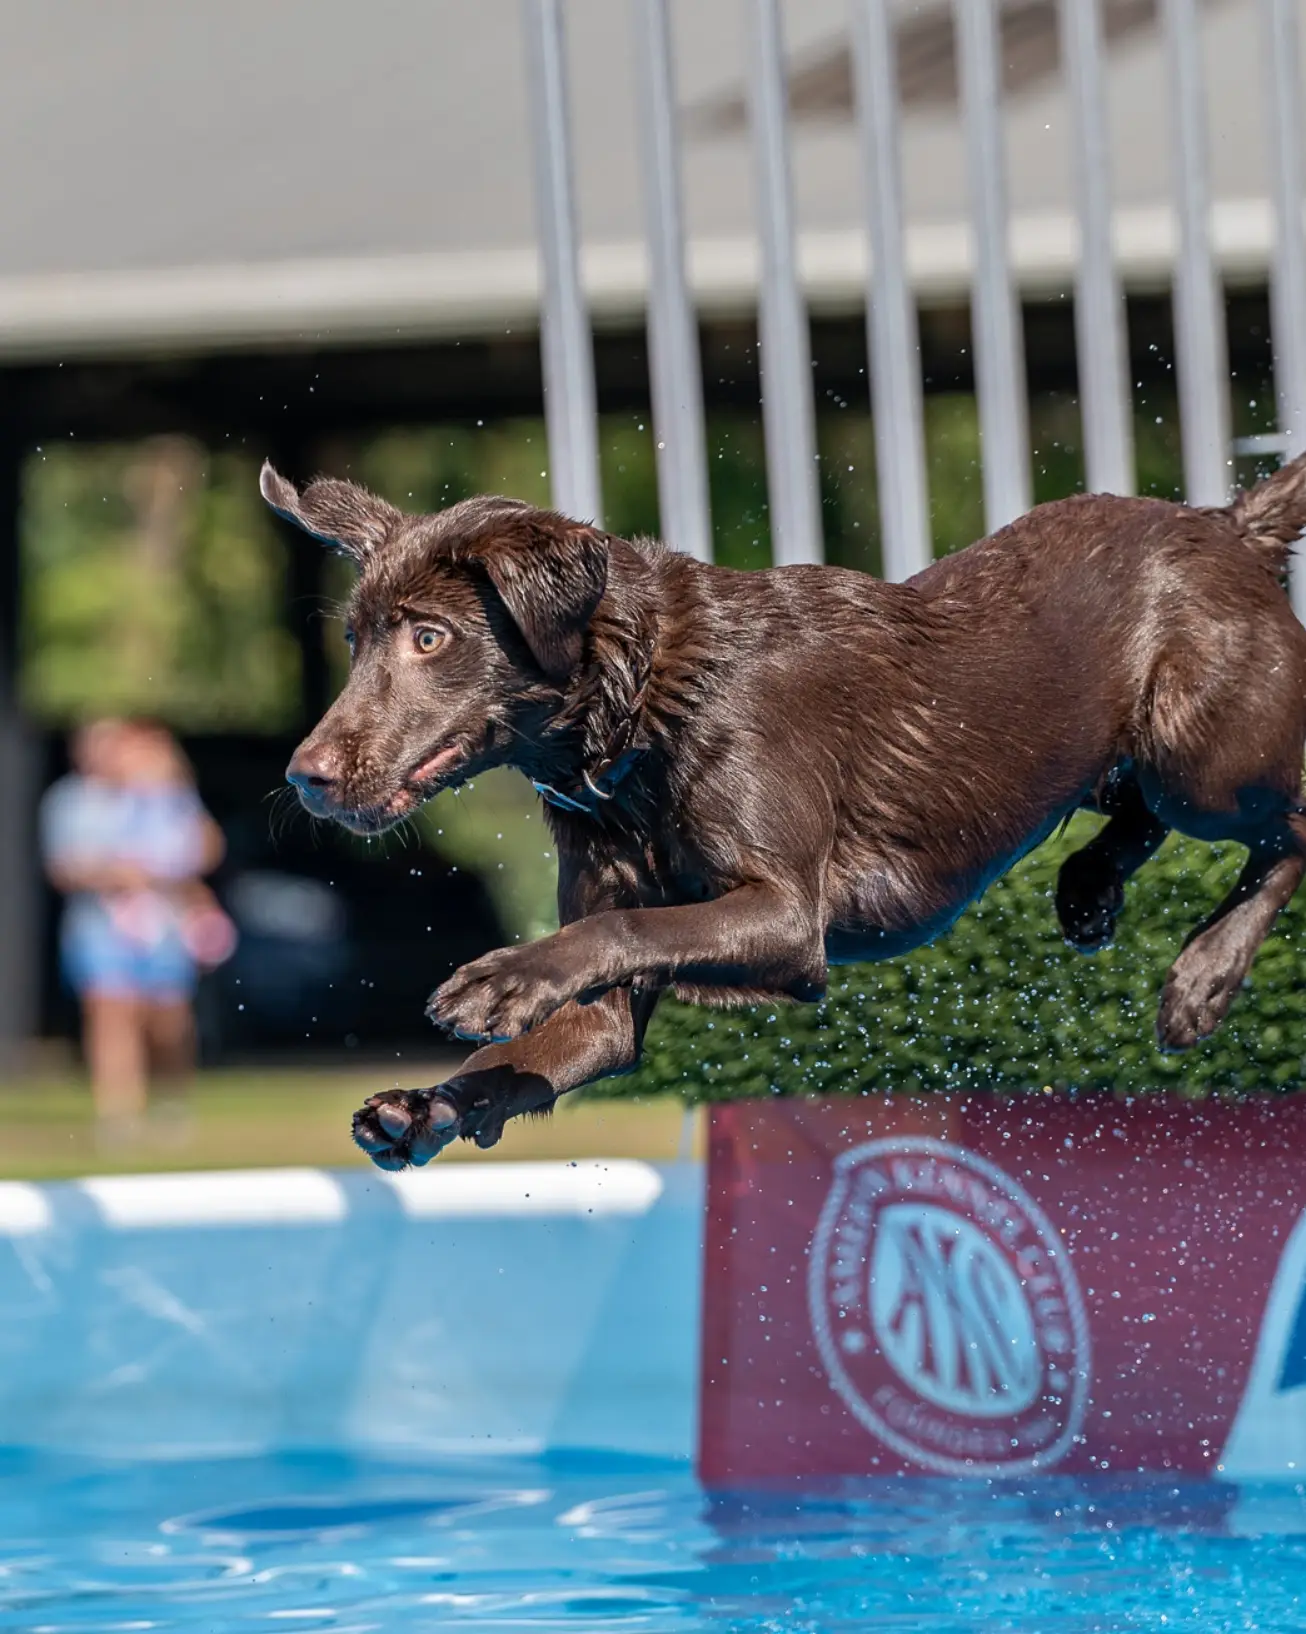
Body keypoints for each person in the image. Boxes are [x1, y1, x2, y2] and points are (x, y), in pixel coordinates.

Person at [41, 719, 234, 1144]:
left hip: (163, 926)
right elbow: (62, 867)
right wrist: (112, 874)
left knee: (169, 1022)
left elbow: (204, 849)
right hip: (101, 927)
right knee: (110, 1017)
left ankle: (171, 1101)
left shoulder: (163, 796)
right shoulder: (70, 801)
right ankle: (118, 1115)